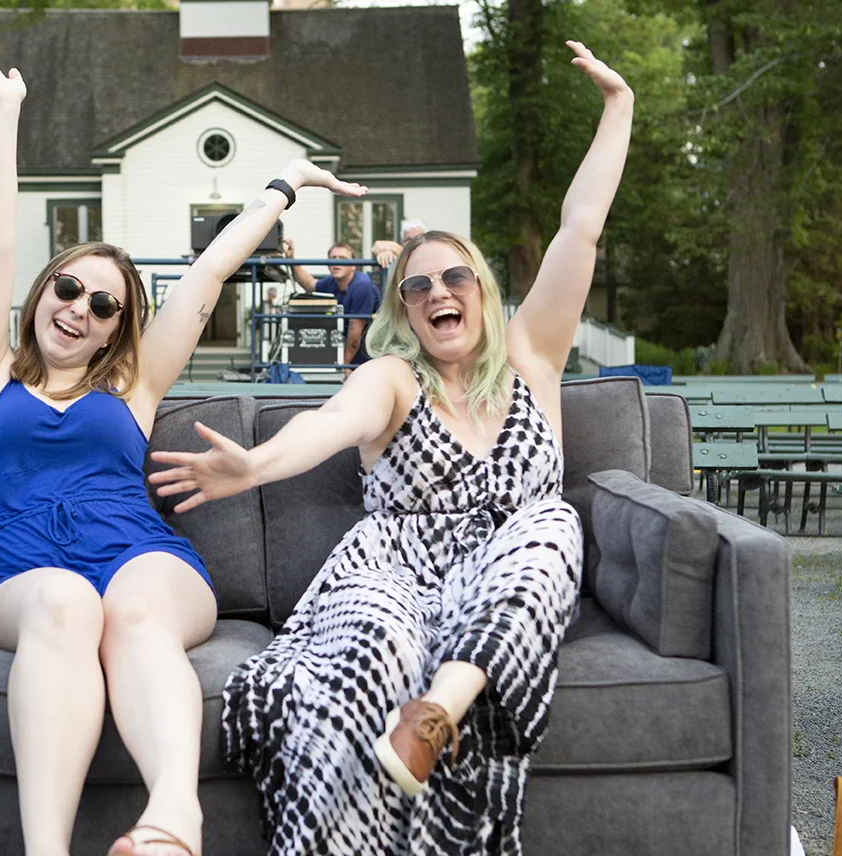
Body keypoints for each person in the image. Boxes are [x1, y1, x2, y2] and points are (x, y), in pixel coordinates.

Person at [148, 41, 631, 856]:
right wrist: (256, 465)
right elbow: (328, 423)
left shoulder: (531, 358)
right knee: (373, 647)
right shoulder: (392, 378)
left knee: (553, 525)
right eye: (417, 286)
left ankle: (436, 713)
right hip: (392, 573)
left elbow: (578, 229)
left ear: (481, 290)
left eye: (454, 278)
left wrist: (618, 106)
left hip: (503, 578)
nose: (437, 291)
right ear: (403, 311)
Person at [0, 37, 365, 856]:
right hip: (23, 574)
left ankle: (174, 819)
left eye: (104, 306)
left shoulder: (131, 385)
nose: (79, 309)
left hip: (142, 557)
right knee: (67, 604)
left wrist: (284, 185)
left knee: (130, 609)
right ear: (43, 293)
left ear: (117, 329)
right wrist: (4, 111)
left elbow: (207, 275)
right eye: (68, 288)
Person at [286, 240, 381, 365]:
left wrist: (343, 366)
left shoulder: (362, 286)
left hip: (368, 359)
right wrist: (291, 259)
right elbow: (309, 284)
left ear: (353, 265)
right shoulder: (332, 282)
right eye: (333, 258)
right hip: (348, 355)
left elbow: (355, 334)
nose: (337, 262)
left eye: (342, 258)